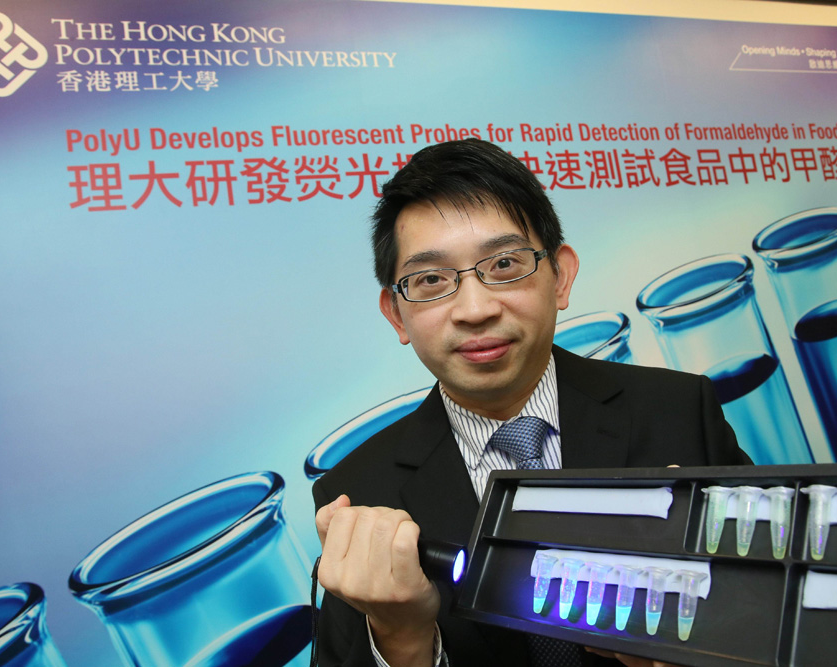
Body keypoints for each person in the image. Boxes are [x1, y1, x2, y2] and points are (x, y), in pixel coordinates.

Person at [312, 138, 750, 667]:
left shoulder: (678, 411)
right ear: (396, 314)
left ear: (560, 276)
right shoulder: (356, 494)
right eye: (430, 280)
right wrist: (401, 637)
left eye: (504, 264)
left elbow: (777, 610)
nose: (475, 309)